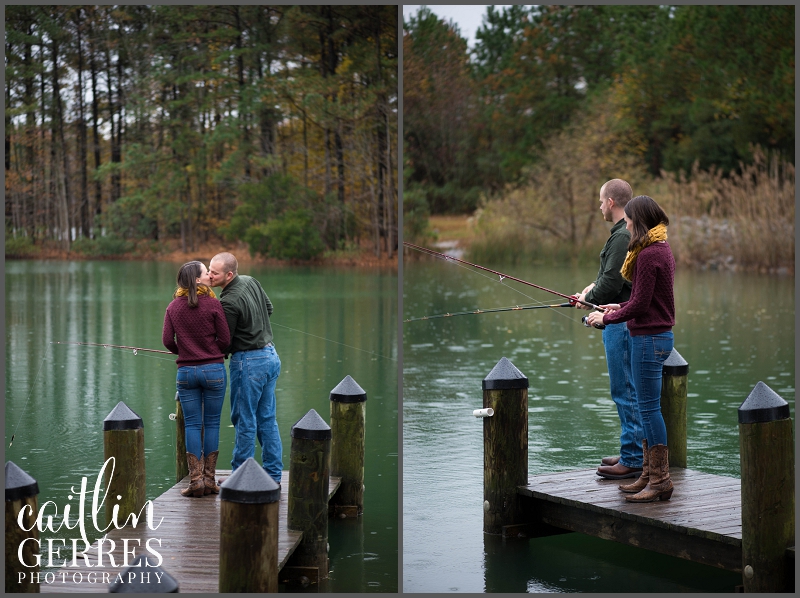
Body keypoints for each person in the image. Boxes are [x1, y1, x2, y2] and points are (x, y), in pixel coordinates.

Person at [586, 195, 675, 502]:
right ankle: (648, 474)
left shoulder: (650, 254)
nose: (625, 223)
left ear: (639, 220)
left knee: (649, 409)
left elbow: (641, 305)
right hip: (655, 336)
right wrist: (618, 305)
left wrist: (608, 315)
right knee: (647, 407)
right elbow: (642, 300)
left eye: (629, 219)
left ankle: (660, 479)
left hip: (649, 338)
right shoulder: (659, 248)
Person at [575, 179, 644, 480]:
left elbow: (614, 283)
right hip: (621, 317)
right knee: (629, 390)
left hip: (621, 322)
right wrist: (592, 289)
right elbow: (612, 277)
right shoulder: (624, 233)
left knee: (625, 390)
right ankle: (633, 450)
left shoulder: (620, 236)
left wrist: (589, 298)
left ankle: (632, 459)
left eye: (601, 201)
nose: (600, 206)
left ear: (612, 202)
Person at [208, 252, 283, 486]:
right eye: (209, 270)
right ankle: (273, 476)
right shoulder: (251, 280)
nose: (209, 275)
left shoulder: (227, 302)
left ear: (229, 275)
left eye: (214, 273)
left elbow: (226, 342)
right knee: (267, 419)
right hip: (271, 356)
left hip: (249, 363)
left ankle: (240, 477)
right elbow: (268, 309)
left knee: (244, 420)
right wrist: (253, 327)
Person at [162, 261, 231, 498]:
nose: (209, 276)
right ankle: (210, 480)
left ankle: (195, 481)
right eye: (205, 273)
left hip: (186, 373)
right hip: (213, 370)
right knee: (211, 423)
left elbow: (167, 341)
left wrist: (184, 351)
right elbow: (225, 339)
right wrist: (212, 350)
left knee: (192, 424)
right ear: (197, 280)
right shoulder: (213, 303)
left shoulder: (173, 307)